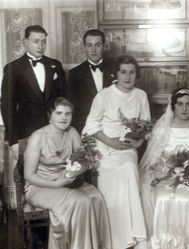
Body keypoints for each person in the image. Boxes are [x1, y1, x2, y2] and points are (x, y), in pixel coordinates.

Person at [24, 97, 111, 249]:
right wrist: (56, 183)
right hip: (40, 186)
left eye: (68, 114)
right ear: (49, 115)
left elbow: (83, 161)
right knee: (79, 200)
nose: (64, 117)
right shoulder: (38, 137)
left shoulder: (72, 132)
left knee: (96, 197)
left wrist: (74, 172)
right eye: (59, 113)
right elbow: (29, 175)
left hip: (67, 181)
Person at [82, 55, 150, 249]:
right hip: (104, 147)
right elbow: (90, 126)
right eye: (123, 72)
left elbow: (146, 127)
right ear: (116, 74)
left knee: (129, 168)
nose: (127, 77)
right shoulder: (104, 95)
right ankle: (113, 240)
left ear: (136, 74)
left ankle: (134, 236)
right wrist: (110, 142)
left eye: (132, 72)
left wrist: (137, 142)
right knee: (111, 184)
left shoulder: (141, 95)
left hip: (126, 149)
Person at [139, 88, 189, 249]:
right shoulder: (163, 127)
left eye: (188, 104)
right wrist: (165, 172)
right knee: (162, 198)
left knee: (186, 199)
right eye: (180, 104)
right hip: (165, 177)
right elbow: (154, 159)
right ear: (173, 106)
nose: (184, 108)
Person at [1, 25, 66, 158]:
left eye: (43, 41)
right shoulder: (13, 68)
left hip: (54, 129)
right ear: (25, 42)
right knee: (28, 172)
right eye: (36, 41)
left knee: (55, 168)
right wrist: (13, 140)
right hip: (26, 132)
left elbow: (64, 99)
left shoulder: (55, 65)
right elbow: (7, 107)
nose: (41, 46)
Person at [67, 29, 115, 134]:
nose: (93, 50)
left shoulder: (116, 68)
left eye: (97, 45)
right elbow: (74, 109)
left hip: (114, 126)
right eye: (89, 45)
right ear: (84, 47)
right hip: (88, 128)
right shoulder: (75, 74)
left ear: (104, 46)